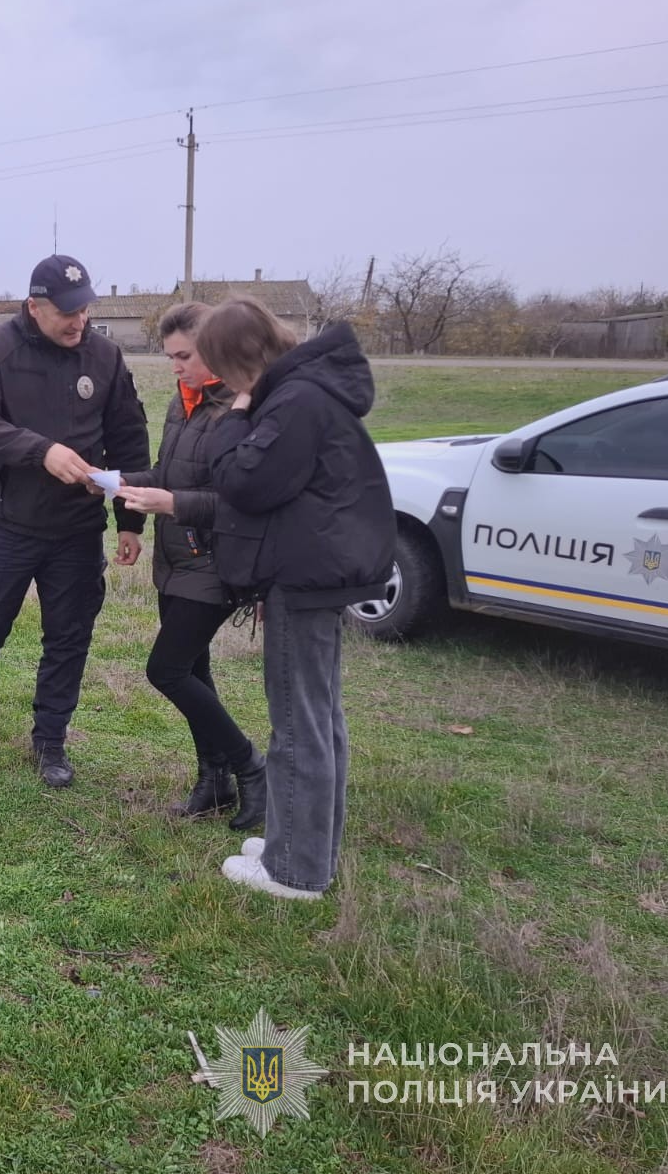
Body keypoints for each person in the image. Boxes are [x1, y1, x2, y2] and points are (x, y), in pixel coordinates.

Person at [0, 254, 151, 788]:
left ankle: (50, 741)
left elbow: (130, 439)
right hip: (10, 524)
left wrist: (130, 521)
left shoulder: (106, 357)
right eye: (67, 312)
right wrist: (40, 451)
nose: (79, 321)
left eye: (85, 309)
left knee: (68, 638)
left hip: (77, 529)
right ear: (34, 306)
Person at [197, 298, 394, 901]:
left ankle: (296, 869)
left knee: (298, 724)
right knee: (319, 716)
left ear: (241, 362)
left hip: (305, 580)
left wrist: (235, 416)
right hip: (319, 571)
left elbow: (242, 481)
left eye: (222, 372)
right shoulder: (309, 390)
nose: (223, 385)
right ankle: (303, 842)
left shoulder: (294, 400)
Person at [117, 302, 266, 829]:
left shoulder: (245, 409)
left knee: (167, 670)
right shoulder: (183, 402)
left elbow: (242, 499)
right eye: (170, 357)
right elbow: (167, 471)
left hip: (217, 562)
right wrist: (114, 482)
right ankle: (214, 780)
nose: (175, 367)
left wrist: (172, 503)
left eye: (184, 356)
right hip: (174, 558)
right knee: (195, 669)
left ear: (218, 348)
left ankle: (251, 766)